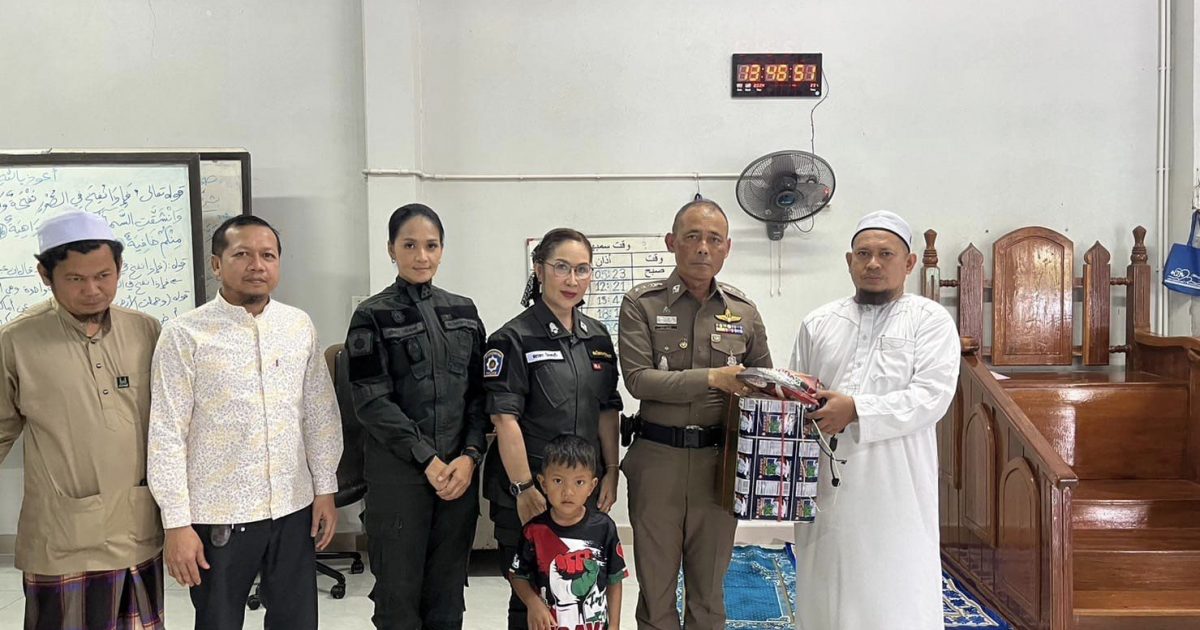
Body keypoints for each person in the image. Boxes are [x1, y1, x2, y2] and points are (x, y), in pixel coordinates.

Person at [147, 215, 343, 630]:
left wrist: (325, 488)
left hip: (292, 506)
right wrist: (176, 522)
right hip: (219, 511)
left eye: (268, 255)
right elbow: (166, 434)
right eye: (242, 254)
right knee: (218, 622)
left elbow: (319, 412)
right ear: (217, 265)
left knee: (296, 621)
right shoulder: (184, 334)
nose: (257, 265)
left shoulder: (297, 326)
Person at [789, 210, 959, 630]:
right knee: (826, 586)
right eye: (863, 254)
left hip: (896, 487)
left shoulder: (931, 322)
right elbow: (798, 392)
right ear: (849, 261)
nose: (873, 263)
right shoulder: (819, 323)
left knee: (895, 592)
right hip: (827, 483)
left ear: (909, 262)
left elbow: (932, 397)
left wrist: (856, 410)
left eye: (886, 254)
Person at [0, 211, 165, 630]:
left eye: (103, 276)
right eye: (75, 279)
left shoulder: (146, 331)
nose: (92, 290)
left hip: (136, 528)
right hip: (61, 537)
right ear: (45, 274)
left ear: (119, 269)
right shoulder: (16, 341)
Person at [618, 199, 771, 630]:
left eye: (714, 239)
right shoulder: (642, 304)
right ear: (672, 242)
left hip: (719, 465)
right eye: (692, 237)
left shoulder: (744, 311)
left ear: (727, 248)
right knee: (656, 592)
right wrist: (714, 378)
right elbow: (638, 380)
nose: (703, 247)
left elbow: (762, 385)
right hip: (658, 461)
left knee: (708, 595)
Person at [345, 203, 488, 629]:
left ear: (442, 250)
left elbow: (480, 396)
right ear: (391, 249)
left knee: (447, 597)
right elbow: (371, 401)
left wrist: (470, 456)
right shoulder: (371, 315)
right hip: (399, 479)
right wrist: (427, 458)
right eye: (409, 245)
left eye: (431, 245)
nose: (421, 256)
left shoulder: (464, 311)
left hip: (458, 477)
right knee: (398, 599)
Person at [483, 227, 623, 629]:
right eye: (562, 267)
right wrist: (525, 487)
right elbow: (504, 418)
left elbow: (607, 409)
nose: (572, 279)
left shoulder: (597, 337)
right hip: (530, 490)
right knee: (529, 599)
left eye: (582, 269)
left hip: (580, 489)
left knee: (581, 590)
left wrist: (611, 470)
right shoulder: (512, 338)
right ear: (539, 269)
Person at [510, 434, 627, 630]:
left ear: (592, 486)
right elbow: (517, 575)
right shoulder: (534, 531)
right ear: (543, 483)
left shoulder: (604, 528)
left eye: (579, 482)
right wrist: (533, 603)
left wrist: (614, 625)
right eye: (558, 481)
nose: (568, 492)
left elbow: (615, 579)